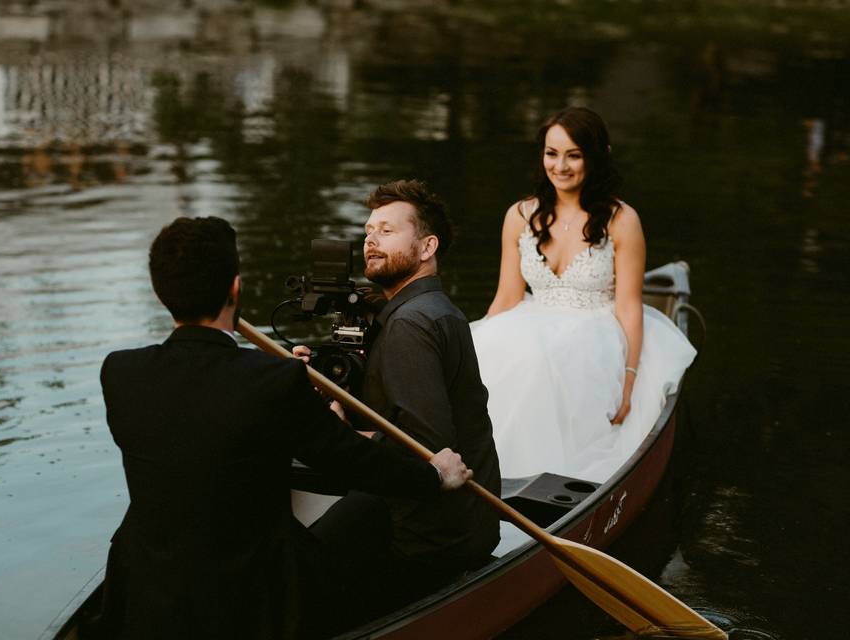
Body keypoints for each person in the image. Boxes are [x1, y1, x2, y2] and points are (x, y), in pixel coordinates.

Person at [98, 216, 474, 640]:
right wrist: (434, 475)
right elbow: (355, 464)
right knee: (369, 506)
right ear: (235, 289)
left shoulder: (120, 373)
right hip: (250, 596)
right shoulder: (271, 382)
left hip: (149, 584)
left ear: (160, 293)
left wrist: (276, 383)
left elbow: (197, 414)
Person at [296, 180, 501, 617]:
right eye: (369, 230)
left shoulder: (410, 325)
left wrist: (340, 431)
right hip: (458, 522)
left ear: (428, 247)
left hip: (424, 536)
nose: (370, 239)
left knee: (292, 568)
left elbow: (426, 453)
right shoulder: (427, 310)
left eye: (387, 231)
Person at [472, 107, 697, 483]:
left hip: (596, 330)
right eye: (551, 153)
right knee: (502, 358)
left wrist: (629, 382)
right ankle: (485, 476)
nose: (560, 166)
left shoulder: (621, 220)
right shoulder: (519, 215)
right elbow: (507, 296)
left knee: (544, 360)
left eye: (573, 155)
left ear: (596, 155)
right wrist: (476, 347)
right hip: (531, 322)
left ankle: (544, 484)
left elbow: (628, 305)